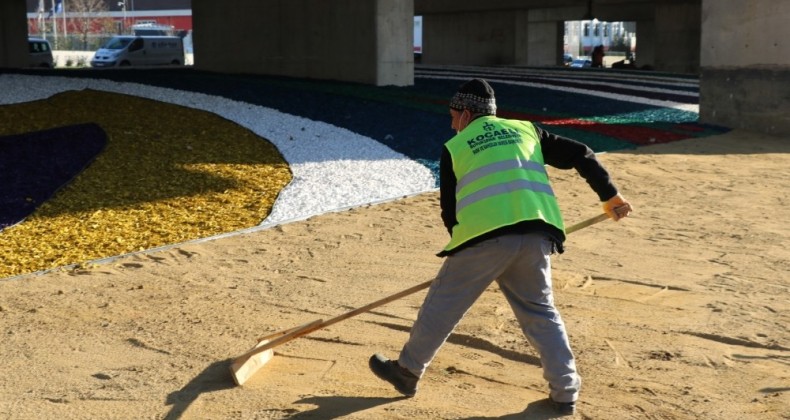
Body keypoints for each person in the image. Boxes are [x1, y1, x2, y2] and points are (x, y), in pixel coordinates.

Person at [368, 78, 632, 416]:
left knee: (442, 306)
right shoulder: (527, 131)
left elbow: (450, 210)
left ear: (466, 113)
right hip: (538, 235)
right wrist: (611, 197)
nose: (451, 122)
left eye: (453, 115)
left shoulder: (457, 145)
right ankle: (565, 394)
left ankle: (406, 372)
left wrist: (463, 251)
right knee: (541, 315)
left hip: (483, 238)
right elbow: (582, 154)